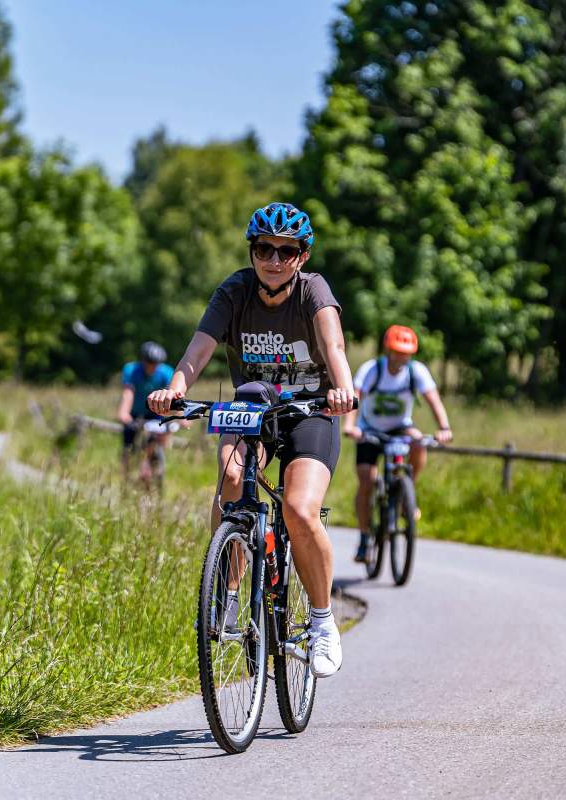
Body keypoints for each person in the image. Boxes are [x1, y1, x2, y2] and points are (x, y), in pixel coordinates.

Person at [148, 202, 355, 678]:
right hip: (252, 406)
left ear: (302, 256)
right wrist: (176, 390)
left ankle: (323, 622)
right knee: (233, 478)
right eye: (264, 248)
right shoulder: (235, 291)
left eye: (286, 251)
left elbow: (334, 346)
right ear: (252, 251)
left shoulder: (312, 291)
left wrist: (342, 389)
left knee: (300, 510)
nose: (274, 259)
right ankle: (231, 590)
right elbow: (198, 350)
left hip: (311, 412)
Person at [343, 325, 453, 562]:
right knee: (367, 480)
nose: (402, 357)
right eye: (398, 351)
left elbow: (433, 400)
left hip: (400, 426)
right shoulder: (372, 369)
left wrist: (444, 427)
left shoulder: (417, 371)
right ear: (388, 350)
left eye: (407, 352)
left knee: (418, 441)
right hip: (370, 428)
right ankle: (364, 538)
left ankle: (406, 491)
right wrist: (350, 426)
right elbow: (355, 397)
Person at [117, 341, 175, 487]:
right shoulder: (131, 370)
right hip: (134, 414)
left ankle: (151, 470)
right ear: (143, 361)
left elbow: (173, 397)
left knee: (155, 441)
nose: (152, 367)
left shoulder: (166, 372)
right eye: (149, 363)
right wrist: (124, 413)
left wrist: (182, 417)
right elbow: (128, 394)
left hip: (155, 415)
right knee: (128, 446)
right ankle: (126, 476)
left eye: (156, 363)